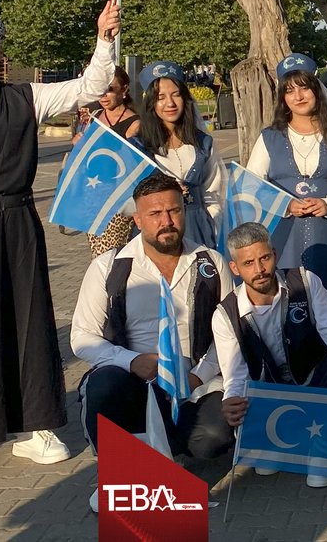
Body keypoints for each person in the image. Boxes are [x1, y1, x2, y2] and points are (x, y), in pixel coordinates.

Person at [0, 3, 118, 463]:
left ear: (1, 54)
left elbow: (91, 87)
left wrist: (103, 38)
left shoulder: (25, 98)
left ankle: (37, 427)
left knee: (27, 319)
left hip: (18, 221)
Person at [71, 173, 234, 511]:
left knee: (214, 439)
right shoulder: (109, 267)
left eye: (173, 211)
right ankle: (117, 471)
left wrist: (199, 375)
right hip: (135, 379)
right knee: (103, 385)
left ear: (184, 211)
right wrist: (130, 361)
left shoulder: (211, 263)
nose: (166, 222)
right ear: (137, 219)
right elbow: (81, 337)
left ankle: (165, 461)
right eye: (155, 215)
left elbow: (229, 337)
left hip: (192, 383)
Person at [212, 222, 327, 488]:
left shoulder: (305, 281)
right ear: (235, 268)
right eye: (248, 263)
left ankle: (321, 448)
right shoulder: (225, 314)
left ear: (275, 254)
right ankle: (273, 443)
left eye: (265, 258)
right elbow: (235, 374)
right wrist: (232, 399)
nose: (259, 270)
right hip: (269, 388)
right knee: (245, 411)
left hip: (312, 377)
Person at [245, 54, 327, 325]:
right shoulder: (269, 137)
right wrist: (286, 204)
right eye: (289, 90)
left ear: (316, 90)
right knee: (289, 308)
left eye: (304, 87)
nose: (298, 96)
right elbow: (251, 186)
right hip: (283, 236)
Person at [136, 61, 226, 249]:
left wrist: (211, 220)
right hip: (157, 234)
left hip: (198, 230)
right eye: (160, 97)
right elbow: (127, 198)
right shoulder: (138, 148)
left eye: (176, 95)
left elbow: (215, 190)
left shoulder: (203, 143)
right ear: (151, 103)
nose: (170, 103)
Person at [72, 65, 142, 258]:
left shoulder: (135, 123)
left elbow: (126, 161)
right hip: (92, 195)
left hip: (117, 198)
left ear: (124, 90)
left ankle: (114, 287)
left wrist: (88, 146)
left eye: (110, 89)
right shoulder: (93, 118)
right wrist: (79, 145)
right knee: (98, 255)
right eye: (101, 89)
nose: (104, 95)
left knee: (110, 254)